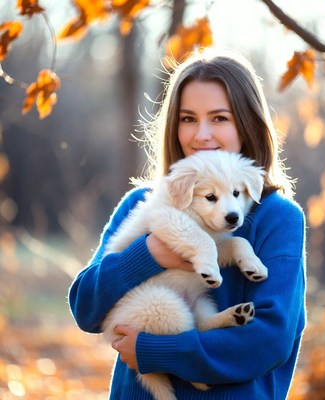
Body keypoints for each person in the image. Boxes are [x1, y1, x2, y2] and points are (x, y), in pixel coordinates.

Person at [68, 48, 306, 399]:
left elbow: (269, 339)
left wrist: (157, 352)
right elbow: (86, 308)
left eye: (220, 118)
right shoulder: (143, 203)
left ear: (248, 123)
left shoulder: (277, 218)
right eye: (188, 119)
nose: (201, 135)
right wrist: (149, 253)